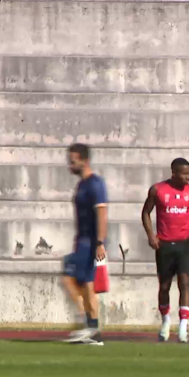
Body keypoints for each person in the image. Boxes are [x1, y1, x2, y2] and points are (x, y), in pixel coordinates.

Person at [141, 158, 189, 343]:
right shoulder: (158, 190)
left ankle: (184, 327)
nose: (188, 177)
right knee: (164, 285)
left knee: (184, 283)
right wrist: (151, 235)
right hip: (164, 245)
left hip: (185, 244)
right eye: (184, 174)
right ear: (174, 173)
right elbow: (146, 212)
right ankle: (165, 322)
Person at [62, 143, 109, 346]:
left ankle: (88, 326)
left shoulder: (94, 184)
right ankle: (92, 330)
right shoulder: (81, 185)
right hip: (81, 240)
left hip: (89, 242)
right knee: (85, 284)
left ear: (85, 160)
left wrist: (100, 242)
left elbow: (102, 214)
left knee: (70, 280)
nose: (70, 165)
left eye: (73, 161)